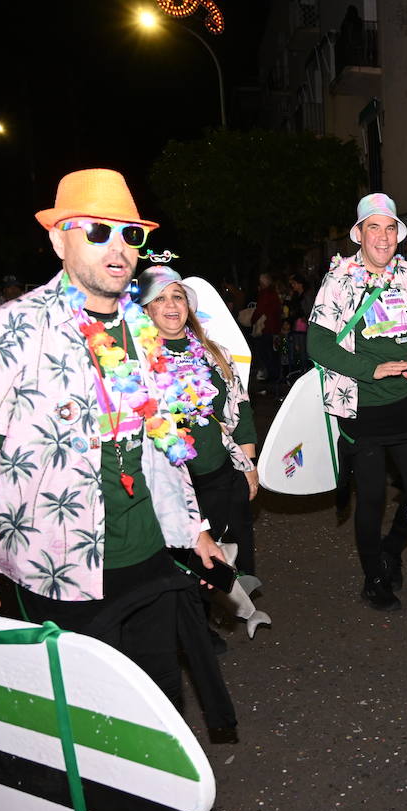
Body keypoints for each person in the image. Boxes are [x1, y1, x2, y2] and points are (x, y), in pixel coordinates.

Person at [0, 170, 236, 801]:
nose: (118, 247)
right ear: (59, 241)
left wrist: (196, 528)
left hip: (148, 551)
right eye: (97, 231)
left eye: (129, 233)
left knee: (159, 693)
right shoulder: (11, 329)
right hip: (62, 562)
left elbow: (160, 440)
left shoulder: (139, 329)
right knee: (85, 711)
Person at [307, 193, 407, 611]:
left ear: (398, 235)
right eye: (374, 228)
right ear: (360, 234)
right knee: (369, 499)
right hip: (359, 406)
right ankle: (374, 577)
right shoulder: (339, 280)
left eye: (390, 228)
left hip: (406, 401)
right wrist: (370, 370)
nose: (383, 238)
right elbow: (317, 343)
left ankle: (390, 550)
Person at [137, 266, 264, 634]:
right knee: (184, 561)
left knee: (228, 552)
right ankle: (194, 629)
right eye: (159, 299)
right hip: (175, 485)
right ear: (146, 310)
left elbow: (240, 407)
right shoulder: (136, 363)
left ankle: (219, 611)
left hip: (222, 470)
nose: (171, 305)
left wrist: (249, 463)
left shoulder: (213, 352)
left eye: (177, 296)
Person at [249, 272, 283, 386]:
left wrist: (252, 320)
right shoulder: (274, 293)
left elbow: (260, 310)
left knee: (265, 352)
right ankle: (275, 375)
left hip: (267, 328)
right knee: (273, 352)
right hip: (275, 327)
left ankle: (272, 376)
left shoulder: (265, 294)